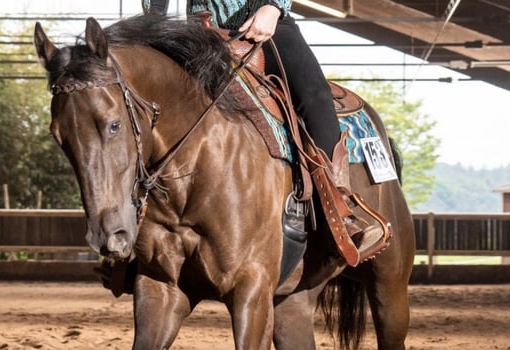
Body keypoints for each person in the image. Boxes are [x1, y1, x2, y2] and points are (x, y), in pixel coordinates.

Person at [143, 0, 388, 262]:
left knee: (314, 95)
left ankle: (341, 208)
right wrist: (152, 22)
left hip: (263, 24)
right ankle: (135, 223)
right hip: (196, 33)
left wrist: (273, 8)